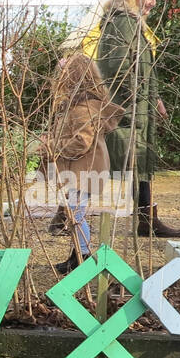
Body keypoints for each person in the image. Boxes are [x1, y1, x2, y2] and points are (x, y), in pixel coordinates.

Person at [95, 0, 180, 238]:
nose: (153, 3)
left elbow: (142, 68)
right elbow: (117, 67)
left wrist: (154, 98)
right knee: (106, 165)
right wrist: (136, 97)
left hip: (137, 107)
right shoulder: (123, 23)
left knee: (137, 164)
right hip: (126, 110)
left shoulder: (134, 24)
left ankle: (147, 220)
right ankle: (67, 218)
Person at [45, 52, 125, 273]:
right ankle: (77, 254)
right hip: (81, 170)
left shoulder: (84, 108)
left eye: (62, 75)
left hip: (85, 170)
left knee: (76, 213)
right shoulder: (79, 105)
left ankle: (84, 255)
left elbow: (81, 142)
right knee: (73, 212)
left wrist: (51, 145)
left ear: (72, 77)